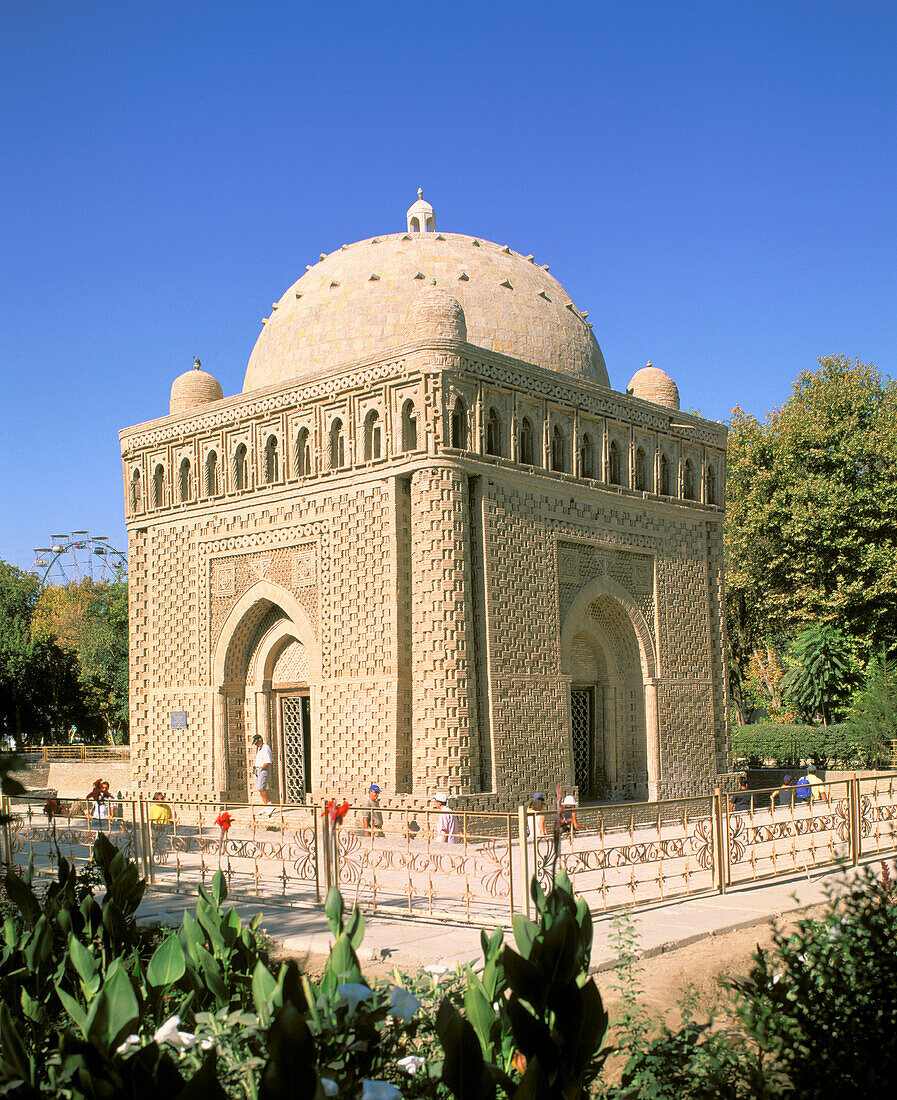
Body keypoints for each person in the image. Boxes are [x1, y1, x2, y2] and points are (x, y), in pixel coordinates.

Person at [252, 733, 274, 814]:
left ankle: (270, 805)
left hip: (263, 770)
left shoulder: (265, 748)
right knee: (260, 789)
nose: (256, 745)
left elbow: (268, 761)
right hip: (258, 770)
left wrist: (261, 768)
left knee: (261, 788)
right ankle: (266, 806)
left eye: (257, 743)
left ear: (260, 740)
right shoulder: (260, 749)